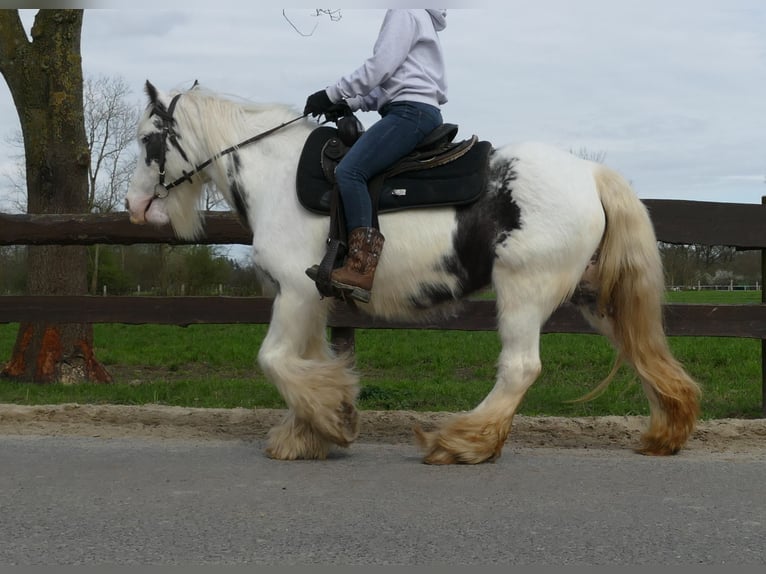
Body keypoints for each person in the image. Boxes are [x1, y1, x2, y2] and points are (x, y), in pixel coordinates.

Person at [304, 8, 448, 302]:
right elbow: (389, 82)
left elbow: (380, 66)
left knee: (350, 172)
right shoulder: (419, 14)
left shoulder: (404, 10)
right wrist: (349, 103)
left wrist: (332, 93)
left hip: (410, 113)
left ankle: (360, 269)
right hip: (414, 109)